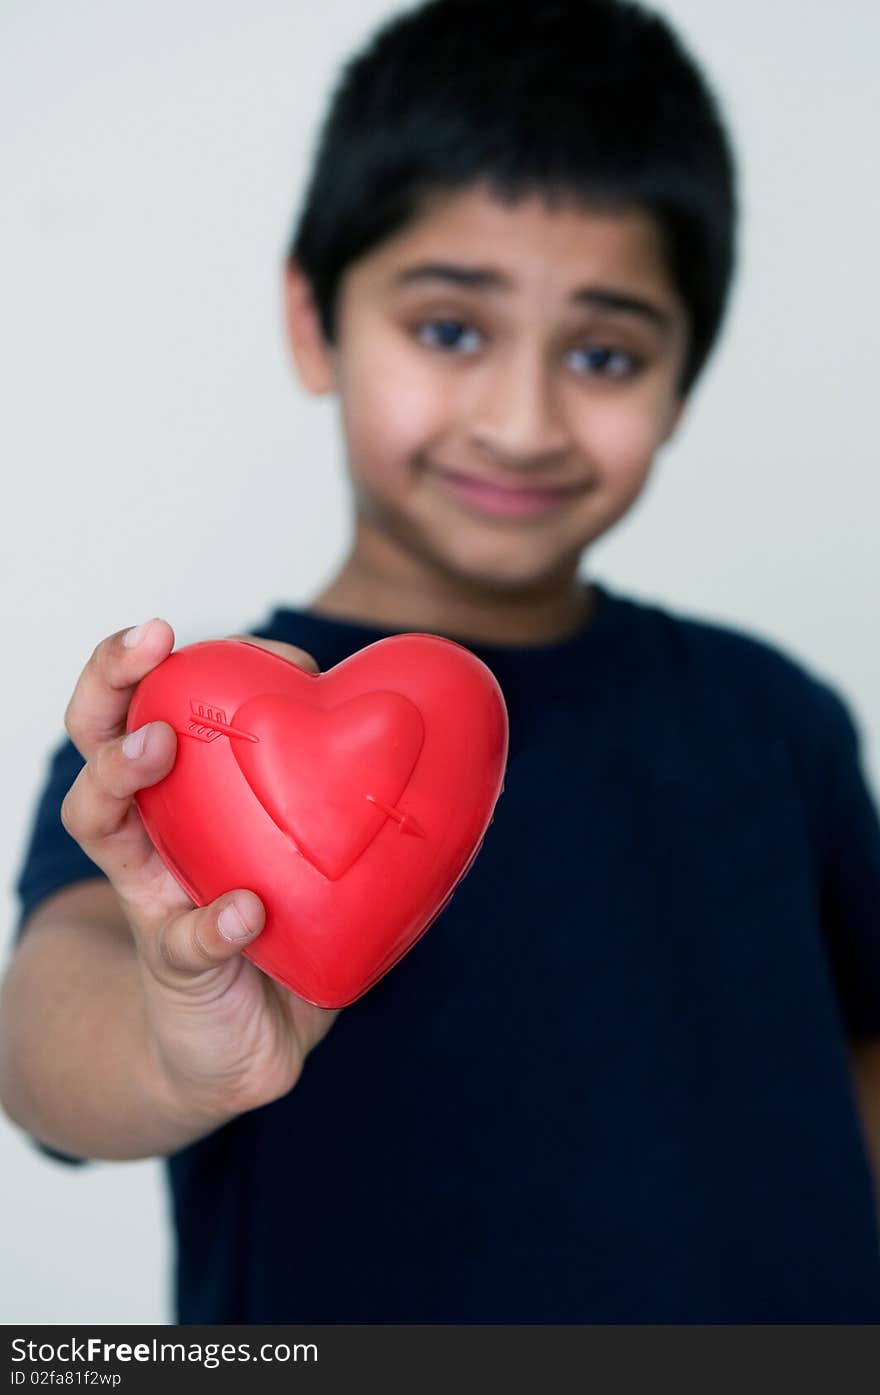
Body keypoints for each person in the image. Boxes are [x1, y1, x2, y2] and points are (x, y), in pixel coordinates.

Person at [2, 0, 880, 1323]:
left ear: (683, 381)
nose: (521, 421)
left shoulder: (777, 718)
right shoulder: (186, 730)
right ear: (315, 319)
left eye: (603, 353)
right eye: (451, 330)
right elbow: (46, 1032)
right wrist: (184, 1052)